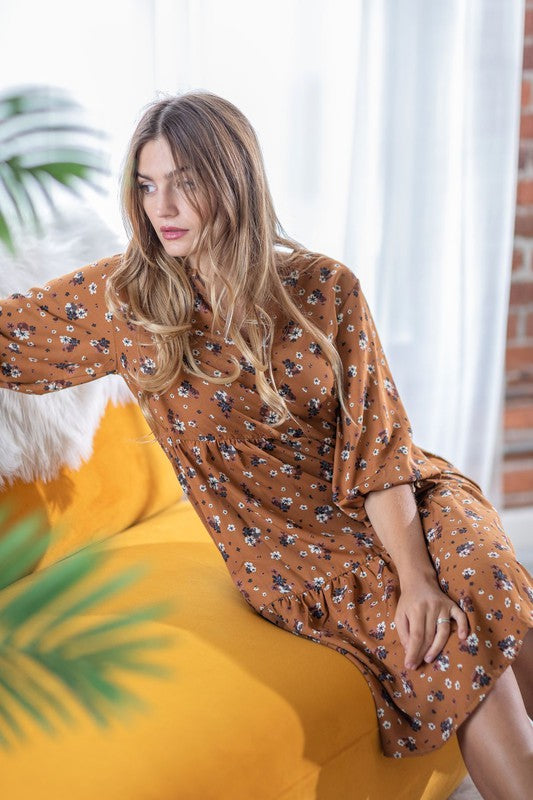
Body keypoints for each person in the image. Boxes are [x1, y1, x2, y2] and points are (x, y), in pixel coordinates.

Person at [1, 90, 532, 798]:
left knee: (491, 576)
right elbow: (9, 339)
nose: (163, 207)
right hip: (287, 550)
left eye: (185, 183)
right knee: (449, 641)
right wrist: (411, 593)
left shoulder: (323, 289)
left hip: (401, 498)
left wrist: (417, 576)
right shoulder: (126, 302)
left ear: (233, 180)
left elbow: (378, 447)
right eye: (148, 185)